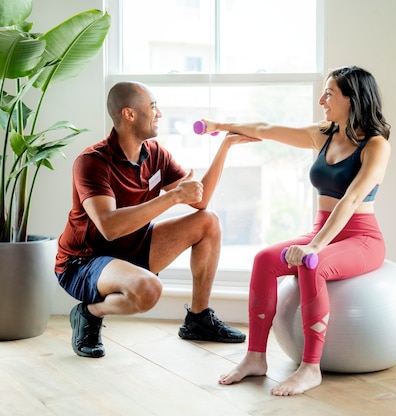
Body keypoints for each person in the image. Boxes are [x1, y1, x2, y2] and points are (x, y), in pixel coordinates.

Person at [202, 66, 391, 395]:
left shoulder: (376, 146)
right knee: (264, 259)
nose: (322, 100)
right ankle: (255, 358)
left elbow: (351, 199)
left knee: (309, 264)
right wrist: (222, 126)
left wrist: (314, 248)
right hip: (323, 231)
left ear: (352, 98)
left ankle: (310, 368)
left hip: (362, 239)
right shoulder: (324, 133)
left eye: (330, 93)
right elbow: (266, 128)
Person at [55, 81, 260, 358]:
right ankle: (88, 313)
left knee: (208, 221)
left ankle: (198, 320)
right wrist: (172, 198)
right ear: (129, 114)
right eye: (153, 107)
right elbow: (110, 227)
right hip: (85, 262)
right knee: (149, 290)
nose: (159, 113)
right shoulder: (92, 162)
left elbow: (199, 200)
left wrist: (225, 146)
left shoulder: (154, 153)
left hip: (134, 249)